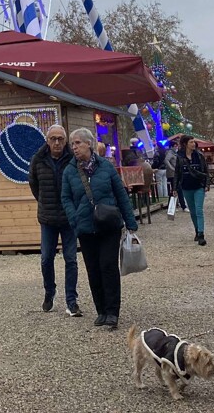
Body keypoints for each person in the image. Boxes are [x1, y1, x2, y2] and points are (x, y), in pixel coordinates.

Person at [60, 127, 138, 331]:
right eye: (72, 144)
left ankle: (112, 312)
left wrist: (130, 222)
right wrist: (74, 219)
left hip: (109, 225)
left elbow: (120, 194)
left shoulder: (106, 167)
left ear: (89, 144)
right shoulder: (69, 171)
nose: (74, 147)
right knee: (93, 269)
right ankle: (101, 310)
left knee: (108, 266)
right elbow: (66, 198)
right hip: (85, 227)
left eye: (78, 143)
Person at [28, 124, 81, 317]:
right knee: (46, 258)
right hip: (48, 217)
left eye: (60, 139)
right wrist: (44, 201)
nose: (57, 142)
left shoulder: (73, 160)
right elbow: (33, 183)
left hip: (68, 217)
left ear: (65, 141)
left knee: (71, 259)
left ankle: (71, 300)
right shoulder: (38, 159)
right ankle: (49, 292)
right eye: (53, 139)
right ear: (47, 140)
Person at [174, 135, 209, 245]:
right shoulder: (180, 157)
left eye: (194, 142)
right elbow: (177, 173)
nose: (193, 144)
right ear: (185, 144)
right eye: (191, 142)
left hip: (198, 186)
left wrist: (206, 184)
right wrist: (175, 188)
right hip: (186, 187)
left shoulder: (199, 156)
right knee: (193, 211)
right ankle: (197, 230)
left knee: (199, 210)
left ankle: (201, 234)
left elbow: (205, 170)